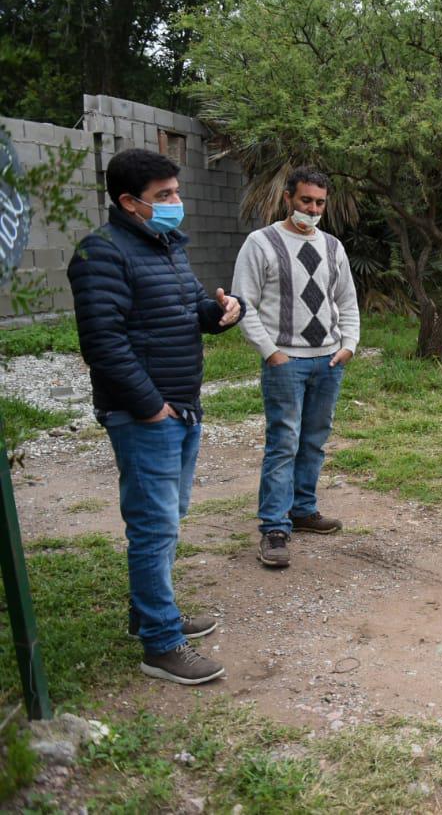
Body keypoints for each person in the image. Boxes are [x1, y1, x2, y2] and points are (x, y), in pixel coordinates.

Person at [67, 147, 242, 685]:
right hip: (147, 414)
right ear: (128, 202)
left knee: (168, 519)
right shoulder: (101, 255)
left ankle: (149, 613)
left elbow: (192, 308)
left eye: (176, 192)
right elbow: (103, 343)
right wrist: (152, 408)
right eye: (163, 196)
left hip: (180, 406)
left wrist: (223, 312)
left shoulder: (164, 246)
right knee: (153, 525)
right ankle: (161, 644)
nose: (176, 203)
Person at [232, 167, 360, 569]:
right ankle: (274, 526)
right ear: (288, 198)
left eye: (320, 202)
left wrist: (349, 346)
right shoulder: (261, 243)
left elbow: (348, 301)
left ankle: (303, 510)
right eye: (306, 200)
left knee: (314, 440)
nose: (313, 209)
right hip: (286, 362)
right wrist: (271, 351)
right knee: (283, 443)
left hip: (328, 360)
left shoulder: (333, 247)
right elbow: (243, 303)